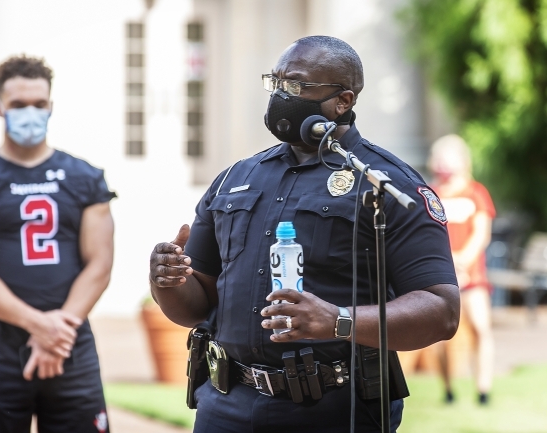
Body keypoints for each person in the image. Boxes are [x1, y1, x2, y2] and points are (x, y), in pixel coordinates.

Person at [149, 36, 460, 432]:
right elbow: (195, 307)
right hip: (226, 405)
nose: (281, 95)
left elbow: (442, 310)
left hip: (332, 408)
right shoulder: (235, 178)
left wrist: (339, 320)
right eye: (275, 82)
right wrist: (168, 281)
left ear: (342, 101)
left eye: (295, 85)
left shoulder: (386, 184)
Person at [0, 55, 115, 433]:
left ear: (51, 106)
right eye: (18, 105)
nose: (29, 112)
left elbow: (99, 265)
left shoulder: (84, 178)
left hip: (72, 343)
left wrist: (57, 331)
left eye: (38, 104)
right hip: (2, 345)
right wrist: (40, 326)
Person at [429, 134, 495, 405]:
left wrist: (463, 261)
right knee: (442, 335)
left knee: (481, 328)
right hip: (443, 275)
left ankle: (483, 390)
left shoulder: (476, 192)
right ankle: (448, 388)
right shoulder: (431, 193)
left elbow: (482, 234)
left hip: (472, 275)